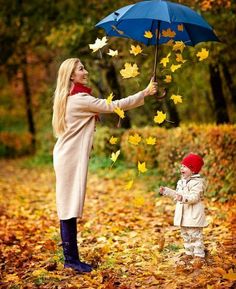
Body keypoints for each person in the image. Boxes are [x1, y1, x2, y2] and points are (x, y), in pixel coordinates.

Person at [52, 58, 158, 273]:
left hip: (66, 156)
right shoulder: (80, 99)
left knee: (69, 206)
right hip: (69, 159)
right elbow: (114, 106)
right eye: (81, 69)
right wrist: (144, 93)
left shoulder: (70, 97)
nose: (86, 71)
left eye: (84, 67)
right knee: (68, 207)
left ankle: (71, 258)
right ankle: (70, 260)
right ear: (71, 76)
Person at [159, 153, 208, 265]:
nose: (182, 168)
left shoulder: (198, 183)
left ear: (193, 169)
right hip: (183, 214)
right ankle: (189, 253)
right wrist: (166, 191)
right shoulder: (180, 182)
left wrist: (183, 198)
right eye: (181, 166)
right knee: (185, 235)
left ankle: (199, 256)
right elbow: (177, 194)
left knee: (195, 235)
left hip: (193, 214)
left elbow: (194, 197)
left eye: (185, 166)